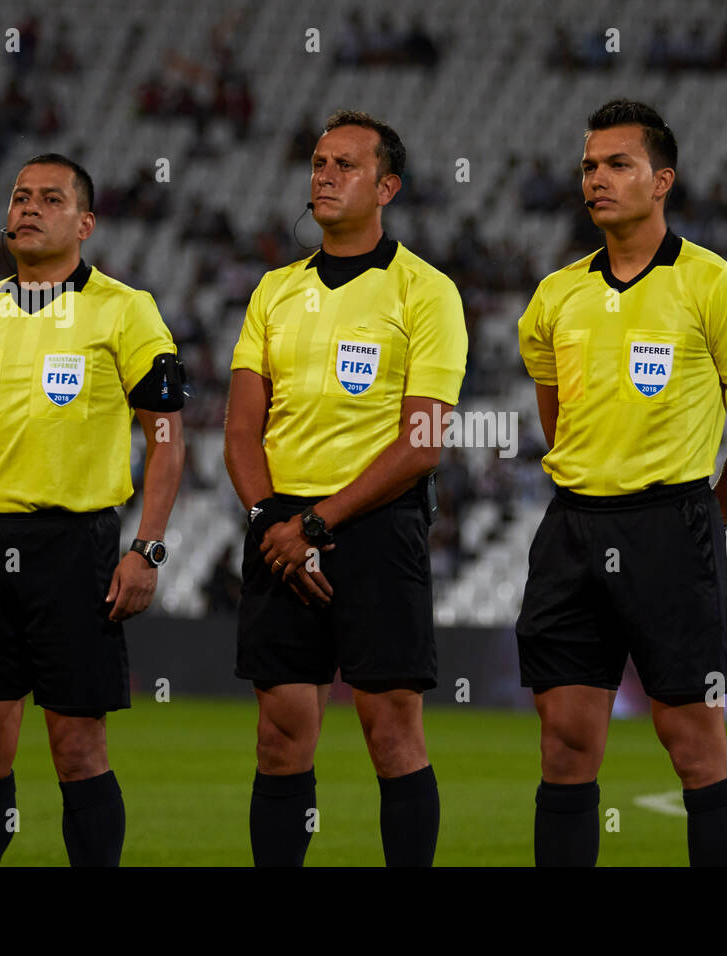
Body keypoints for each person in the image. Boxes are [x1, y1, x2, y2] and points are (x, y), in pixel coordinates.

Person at [515, 99, 727, 866]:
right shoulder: (556, 295)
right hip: (570, 530)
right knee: (565, 745)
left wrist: (710, 511)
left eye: (618, 165)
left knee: (693, 743)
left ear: (662, 180)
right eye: (590, 166)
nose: (597, 179)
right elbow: (558, 415)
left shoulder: (716, 285)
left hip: (672, 527)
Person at [0, 153, 185, 866]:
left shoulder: (126, 309)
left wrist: (147, 548)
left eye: (49, 199)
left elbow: (168, 435)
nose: (27, 208)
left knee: (78, 748)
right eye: (19, 196)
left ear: (84, 223)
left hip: (76, 546)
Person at [224, 110, 467, 867]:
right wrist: (274, 523)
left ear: (386, 186)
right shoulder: (272, 290)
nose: (323, 176)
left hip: (373, 527)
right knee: (280, 734)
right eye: (319, 162)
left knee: (392, 732)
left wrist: (318, 527)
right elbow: (239, 429)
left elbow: (423, 442)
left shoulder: (426, 292)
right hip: (278, 526)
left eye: (345, 165)